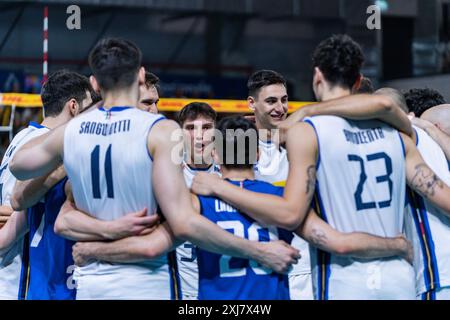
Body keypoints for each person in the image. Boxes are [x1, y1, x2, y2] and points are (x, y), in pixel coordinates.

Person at [9, 38, 299, 299]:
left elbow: (19, 167)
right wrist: (260, 250)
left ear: (95, 85)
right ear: (140, 76)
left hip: (92, 285)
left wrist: (83, 118)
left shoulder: (73, 132)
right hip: (148, 284)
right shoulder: (161, 131)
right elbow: (184, 223)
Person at [191, 34, 450, 300]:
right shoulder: (398, 135)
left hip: (344, 278)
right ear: (359, 81)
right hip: (399, 279)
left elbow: (291, 214)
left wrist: (218, 186)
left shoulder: (308, 133)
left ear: (317, 76)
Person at [68, 115, 412, 300]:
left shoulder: (195, 201)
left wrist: (93, 251)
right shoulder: (282, 200)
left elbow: (149, 247)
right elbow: (337, 241)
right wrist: (397, 244)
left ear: (215, 154)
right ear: (258, 155)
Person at [0, 70, 93, 300]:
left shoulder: (22, 139)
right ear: (74, 106)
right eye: (89, 108)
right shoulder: (38, 148)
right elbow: (17, 207)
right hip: (18, 277)